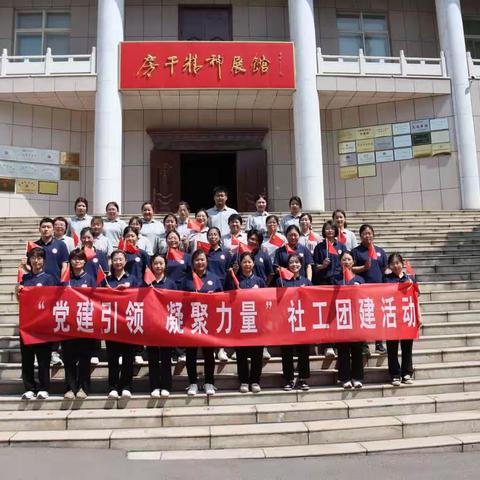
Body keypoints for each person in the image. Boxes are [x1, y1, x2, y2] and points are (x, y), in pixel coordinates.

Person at [16, 247, 56, 400]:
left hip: (43, 325)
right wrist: (18, 289)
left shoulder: (49, 278)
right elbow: (20, 299)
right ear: (29, 260)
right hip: (27, 325)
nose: (36, 260)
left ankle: (44, 388)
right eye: (33, 257)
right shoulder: (25, 279)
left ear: (43, 261)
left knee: (43, 359)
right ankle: (29, 388)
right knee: (27, 358)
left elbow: (54, 300)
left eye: (39, 258)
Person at [182, 250, 223, 396]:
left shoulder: (214, 278)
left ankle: (209, 382)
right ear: (192, 263)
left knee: (208, 354)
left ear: (207, 261)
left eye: (202, 260)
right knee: (191, 354)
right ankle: (192, 383)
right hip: (190, 322)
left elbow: (221, 299)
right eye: (197, 260)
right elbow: (180, 299)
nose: (200, 262)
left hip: (208, 322)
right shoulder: (186, 279)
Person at [224, 252, 266, 393]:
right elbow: (227, 296)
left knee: (257, 354)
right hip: (240, 321)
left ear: (253, 264)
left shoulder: (259, 281)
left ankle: (255, 380)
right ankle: (243, 380)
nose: (247, 264)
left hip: (256, 322)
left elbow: (266, 300)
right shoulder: (235, 280)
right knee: (241, 353)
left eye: (249, 262)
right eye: (244, 262)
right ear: (240, 264)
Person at [31, 217, 69, 367]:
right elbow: (29, 265)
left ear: (53, 229)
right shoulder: (33, 246)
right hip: (37, 290)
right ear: (39, 229)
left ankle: (53, 352)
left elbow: (65, 266)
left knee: (54, 320)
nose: (46, 229)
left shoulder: (61, 245)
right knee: (38, 320)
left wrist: (63, 284)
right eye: (43, 227)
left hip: (55, 289)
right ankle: (36, 351)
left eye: (48, 227)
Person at [102, 250, 140, 399]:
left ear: (125, 262)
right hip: (111, 324)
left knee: (128, 358)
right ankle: (113, 386)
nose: (118, 262)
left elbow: (140, 297)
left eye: (120, 259)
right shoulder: (106, 281)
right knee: (112, 358)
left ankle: (126, 386)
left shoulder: (133, 279)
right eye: (115, 260)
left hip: (128, 324)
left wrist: (128, 291)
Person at [61, 249, 96, 399]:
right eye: (74, 259)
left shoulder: (90, 278)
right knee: (68, 359)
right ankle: (70, 388)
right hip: (68, 324)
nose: (77, 261)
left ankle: (83, 388)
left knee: (84, 359)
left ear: (84, 262)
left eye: (80, 259)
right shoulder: (65, 279)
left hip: (85, 324)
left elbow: (97, 299)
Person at [275, 253, 311, 391]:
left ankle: (303, 379)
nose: (294, 265)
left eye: (297, 262)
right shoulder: (281, 281)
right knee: (287, 352)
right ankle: (289, 379)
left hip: (302, 320)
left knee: (303, 352)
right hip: (286, 320)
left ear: (301, 265)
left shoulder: (306, 281)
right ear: (287, 265)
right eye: (291, 262)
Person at [143, 254, 176, 398]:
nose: (158, 266)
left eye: (161, 263)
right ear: (151, 266)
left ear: (165, 265)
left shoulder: (171, 283)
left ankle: (166, 385)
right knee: (153, 358)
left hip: (166, 325)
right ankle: (154, 386)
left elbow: (176, 304)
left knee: (166, 358)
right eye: (155, 263)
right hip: (151, 325)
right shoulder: (145, 283)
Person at [352, 224, 388, 356]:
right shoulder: (356, 251)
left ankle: (379, 343)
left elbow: (385, 269)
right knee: (364, 316)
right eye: (365, 233)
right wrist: (363, 268)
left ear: (373, 234)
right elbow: (350, 269)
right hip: (363, 290)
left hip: (378, 289)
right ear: (360, 236)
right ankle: (364, 344)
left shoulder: (380, 251)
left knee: (378, 316)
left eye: (369, 233)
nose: (367, 236)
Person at [312, 220, 346, 358]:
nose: (330, 231)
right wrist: (322, 266)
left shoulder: (341, 247)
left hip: (338, 283)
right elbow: (314, 267)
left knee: (337, 314)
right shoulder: (319, 247)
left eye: (332, 229)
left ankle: (339, 343)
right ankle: (327, 345)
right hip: (324, 283)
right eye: (327, 229)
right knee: (325, 315)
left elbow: (347, 264)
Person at [332, 251, 365, 389]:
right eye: (344, 259)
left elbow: (366, 296)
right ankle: (344, 377)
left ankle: (357, 377)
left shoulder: (360, 279)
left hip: (357, 317)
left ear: (353, 262)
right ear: (340, 262)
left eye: (349, 259)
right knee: (343, 350)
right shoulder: (335, 279)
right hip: (341, 317)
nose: (346, 262)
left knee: (357, 349)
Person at [384, 253, 416, 387]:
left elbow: (415, 297)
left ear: (402, 263)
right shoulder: (386, 279)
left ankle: (406, 373)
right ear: (389, 266)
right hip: (391, 315)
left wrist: (419, 316)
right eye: (393, 263)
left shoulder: (410, 279)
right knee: (392, 347)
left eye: (398, 263)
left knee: (407, 346)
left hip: (407, 315)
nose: (396, 266)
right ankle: (395, 374)